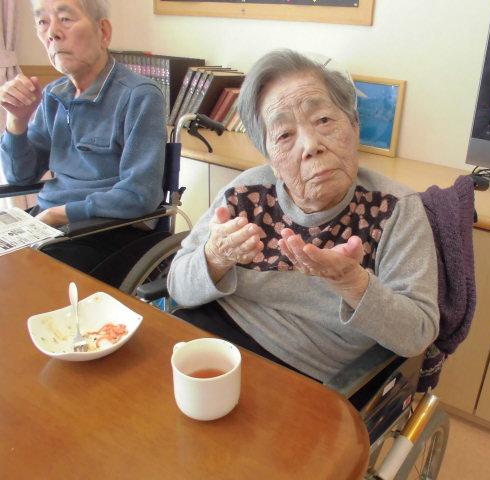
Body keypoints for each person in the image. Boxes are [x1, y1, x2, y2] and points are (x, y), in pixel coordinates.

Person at [167, 49, 439, 383]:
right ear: (270, 158)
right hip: (208, 343)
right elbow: (177, 285)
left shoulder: (394, 209)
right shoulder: (245, 193)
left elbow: (417, 334)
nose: (311, 145)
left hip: (306, 373)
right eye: (284, 134)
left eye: (323, 120)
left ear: (355, 126)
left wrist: (352, 283)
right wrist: (215, 257)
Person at [0, 0, 166, 276]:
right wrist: (16, 120)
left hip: (106, 230)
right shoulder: (54, 94)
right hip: (49, 224)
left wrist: (59, 213)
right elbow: (20, 176)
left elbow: (140, 195)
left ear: (103, 32)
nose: (52, 33)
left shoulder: (139, 96)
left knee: (18, 278)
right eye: (42, 22)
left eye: (65, 19)